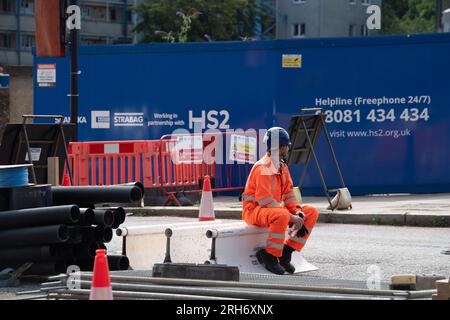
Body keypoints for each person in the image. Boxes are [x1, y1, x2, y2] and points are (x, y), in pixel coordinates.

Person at [241, 127, 319, 275]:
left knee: (311, 212)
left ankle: (286, 253)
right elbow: (264, 200)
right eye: (287, 146)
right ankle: (269, 256)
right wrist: (291, 217)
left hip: (270, 210)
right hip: (253, 211)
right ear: (282, 147)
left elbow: (289, 195)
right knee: (282, 215)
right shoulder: (264, 167)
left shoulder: (282, 167)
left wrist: (298, 212)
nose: (288, 149)